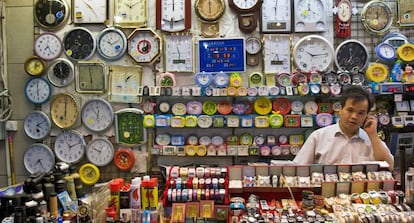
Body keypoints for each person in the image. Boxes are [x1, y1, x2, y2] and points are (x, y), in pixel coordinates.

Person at [293, 85, 394, 169]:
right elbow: (298, 169)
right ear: (340, 109)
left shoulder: (372, 140)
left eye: (361, 113)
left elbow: (389, 167)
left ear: (367, 116)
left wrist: (373, 135)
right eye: (350, 110)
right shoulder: (318, 137)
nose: (354, 117)